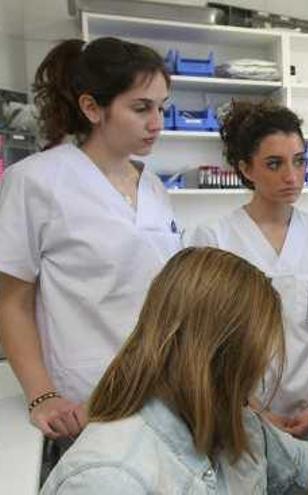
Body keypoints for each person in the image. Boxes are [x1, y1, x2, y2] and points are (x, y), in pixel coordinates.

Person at [41, 247, 308, 494]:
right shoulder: (111, 476)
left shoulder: (240, 425)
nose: (264, 364)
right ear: (226, 356)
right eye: (260, 349)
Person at [0, 37, 180, 444]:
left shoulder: (152, 187)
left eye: (161, 107)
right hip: (84, 402)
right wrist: (41, 395)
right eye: (141, 108)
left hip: (159, 396)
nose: (157, 123)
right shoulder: (36, 181)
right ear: (92, 107)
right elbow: (12, 301)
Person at [190, 101, 308, 441]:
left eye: (299, 161)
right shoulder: (216, 237)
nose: (291, 176)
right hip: (244, 412)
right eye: (274, 164)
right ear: (246, 169)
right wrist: (254, 410)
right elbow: (208, 343)